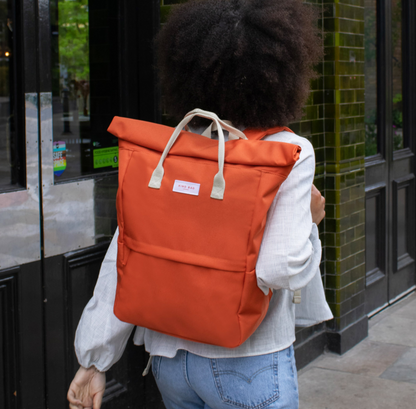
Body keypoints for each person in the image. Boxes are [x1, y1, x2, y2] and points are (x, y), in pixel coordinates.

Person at [67, 1, 333, 408]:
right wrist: (311, 224)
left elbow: (125, 257)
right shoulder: (288, 152)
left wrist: (94, 360)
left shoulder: (168, 151)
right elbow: (281, 267)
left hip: (170, 363)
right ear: (283, 71)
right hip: (248, 362)